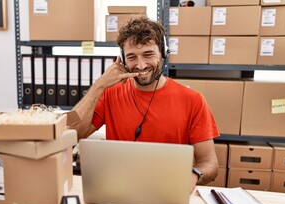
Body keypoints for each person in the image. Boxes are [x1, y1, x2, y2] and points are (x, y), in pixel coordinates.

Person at [70, 17, 219, 191]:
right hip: (119, 190)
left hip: (169, 191)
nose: (140, 65)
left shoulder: (193, 100)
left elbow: (210, 163)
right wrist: (100, 85)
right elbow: (72, 133)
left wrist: (194, 174)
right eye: (132, 57)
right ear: (123, 61)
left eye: (148, 54)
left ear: (163, 53)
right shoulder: (110, 93)